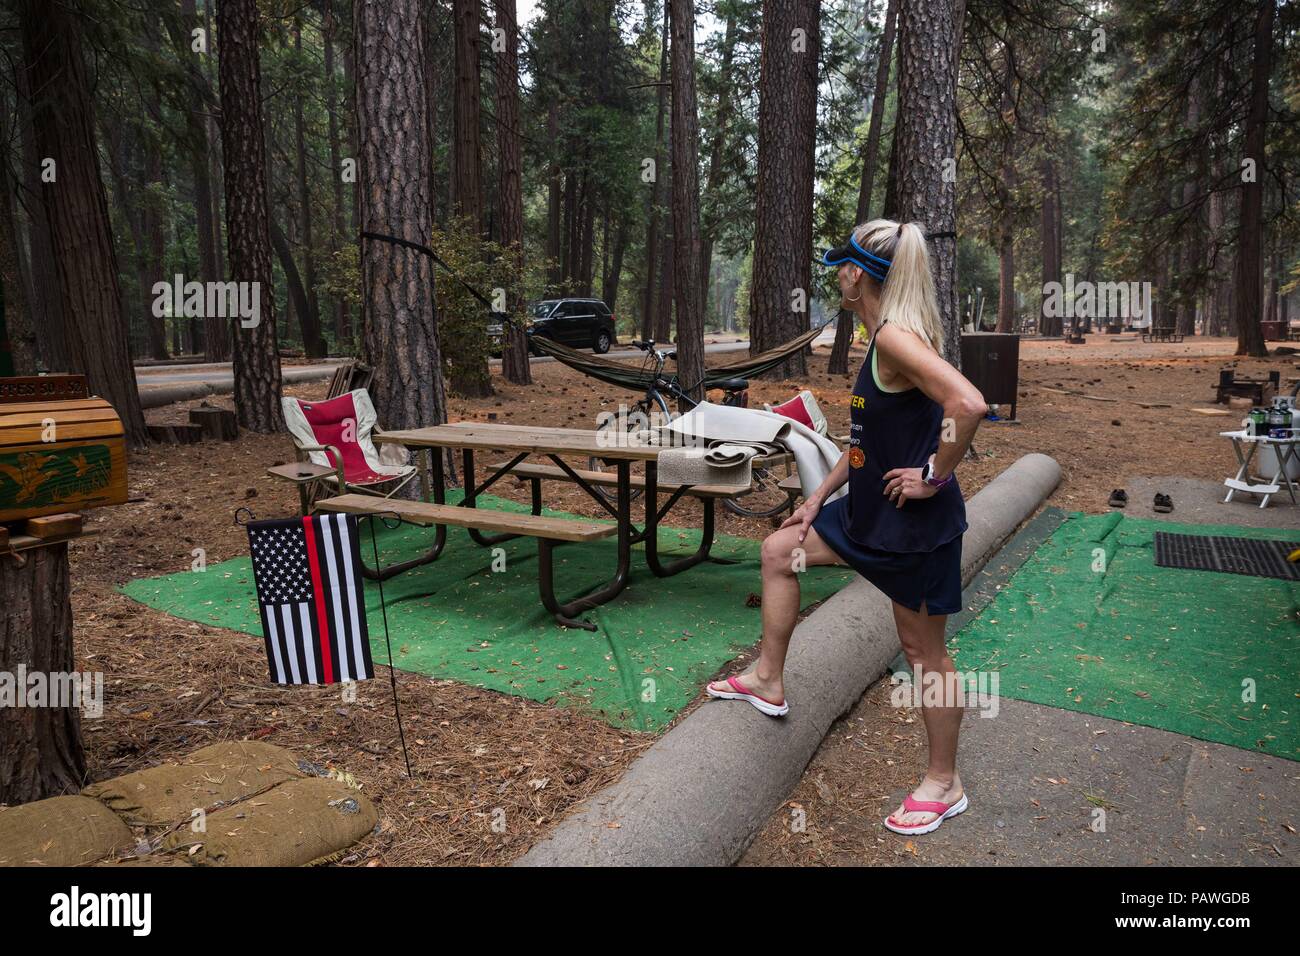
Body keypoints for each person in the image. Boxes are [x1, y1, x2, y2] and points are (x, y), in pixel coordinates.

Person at [705, 219, 987, 835]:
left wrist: (933, 476)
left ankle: (945, 782)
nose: (836, 273)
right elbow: (862, 441)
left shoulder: (895, 339)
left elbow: (967, 405)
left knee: (924, 653)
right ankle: (769, 680)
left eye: (842, 265)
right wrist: (818, 500)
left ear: (859, 274)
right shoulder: (878, 336)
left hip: (915, 527)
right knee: (782, 548)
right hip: (863, 514)